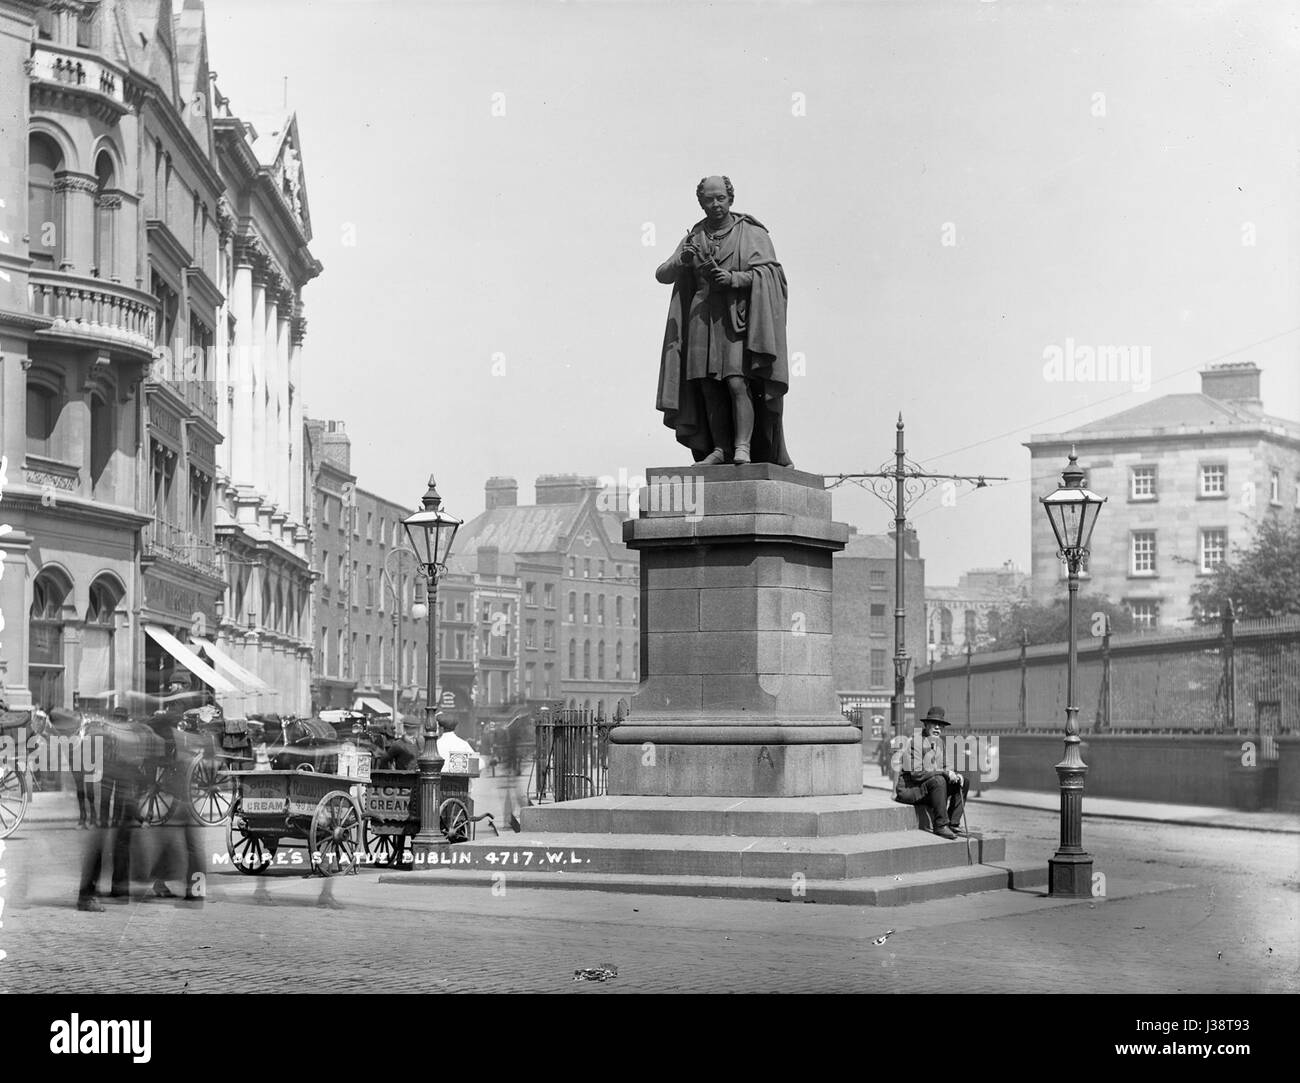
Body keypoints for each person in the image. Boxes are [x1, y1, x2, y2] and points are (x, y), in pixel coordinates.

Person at [655, 175, 793, 467]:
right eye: (709, 199)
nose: (715, 204)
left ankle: (742, 446)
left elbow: (771, 276)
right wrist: (682, 259)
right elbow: (663, 273)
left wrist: (734, 278)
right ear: (701, 202)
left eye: (720, 198)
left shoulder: (751, 233)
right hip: (701, 318)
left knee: (736, 381)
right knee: (708, 386)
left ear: (731, 198)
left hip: (737, 319)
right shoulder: (694, 236)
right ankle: (720, 449)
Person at [893, 706, 969, 840]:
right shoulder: (916, 742)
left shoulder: (940, 743)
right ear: (926, 724)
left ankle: (953, 823)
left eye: (940, 725)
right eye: (934, 724)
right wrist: (943, 772)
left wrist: (954, 775)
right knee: (939, 780)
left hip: (930, 788)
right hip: (911, 789)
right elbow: (917, 774)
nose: (938, 728)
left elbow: (948, 766)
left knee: (963, 782)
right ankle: (940, 825)